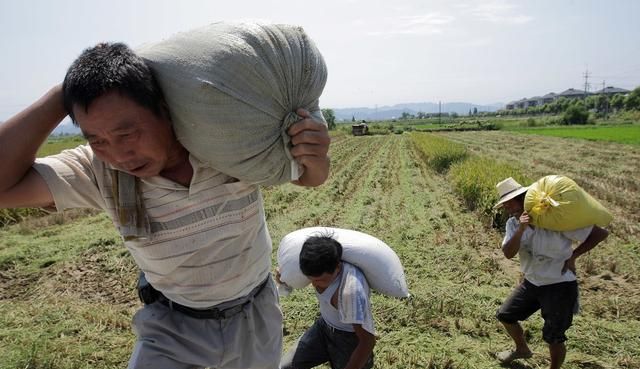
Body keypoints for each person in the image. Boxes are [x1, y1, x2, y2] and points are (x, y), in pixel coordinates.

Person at [0, 42, 330, 369]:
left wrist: (314, 156)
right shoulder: (98, 171)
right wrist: (65, 94)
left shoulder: (225, 141)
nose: (118, 156)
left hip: (256, 315)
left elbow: (309, 177)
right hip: (174, 327)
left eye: (127, 134)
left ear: (164, 108)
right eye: (97, 140)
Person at [493, 177, 608, 369]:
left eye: (509, 203)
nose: (506, 208)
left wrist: (574, 256)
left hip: (559, 285)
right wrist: (521, 230)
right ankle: (522, 349)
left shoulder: (556, 218)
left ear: (522, 199)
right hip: (532, 283)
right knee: (505, 315)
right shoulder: (513, 224)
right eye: (504, 204)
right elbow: (508, 253)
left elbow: (600, 233)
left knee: (553, 336)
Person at [278, 235, 375, 369]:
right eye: (310, 279)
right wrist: (284, 280)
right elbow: (290, 282)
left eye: (320, 280)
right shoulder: (313, 266)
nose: (313, 284)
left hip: (349, 340)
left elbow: (367, 341)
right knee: (286, 366)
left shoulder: (350, 292)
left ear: (338, 267)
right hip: (323, 328)